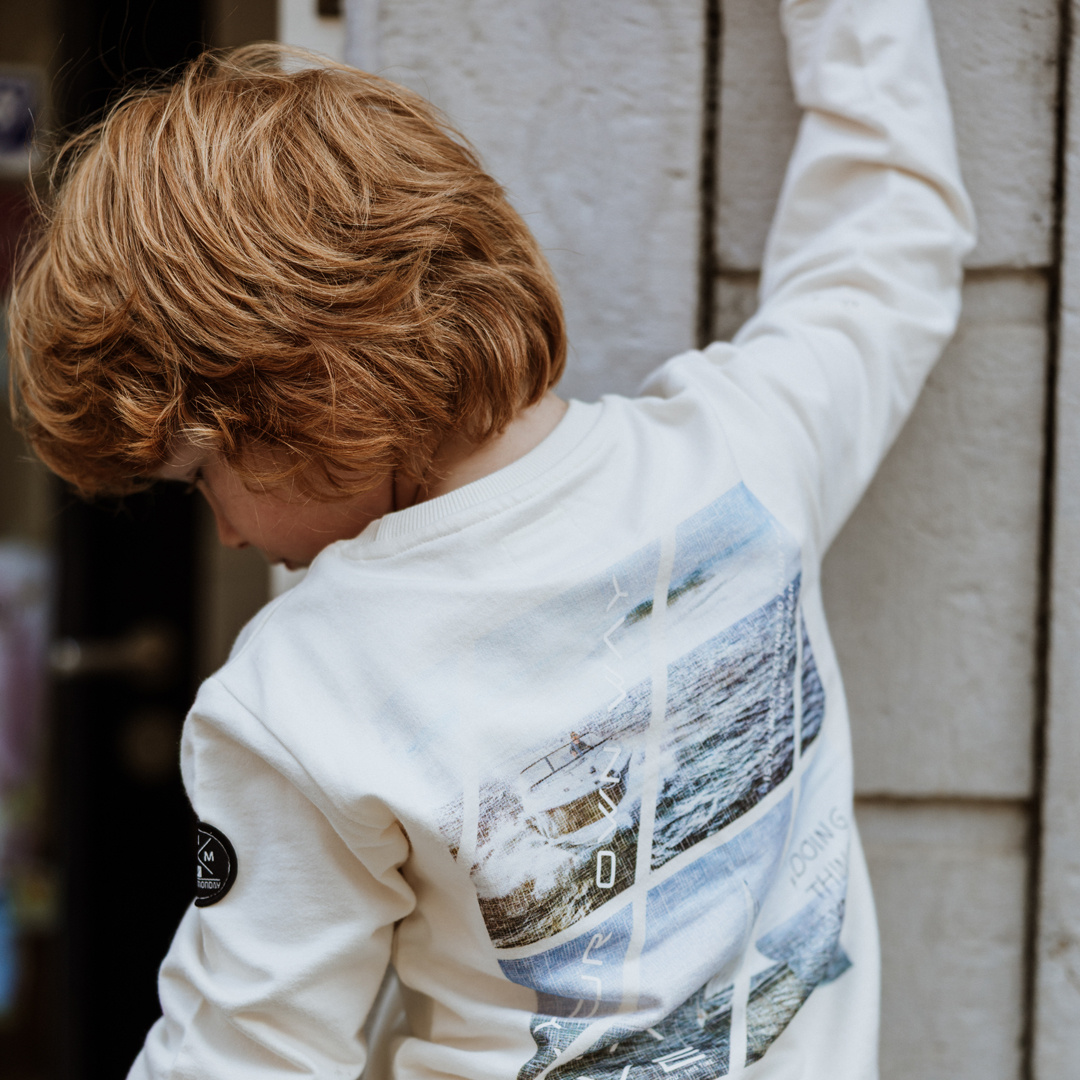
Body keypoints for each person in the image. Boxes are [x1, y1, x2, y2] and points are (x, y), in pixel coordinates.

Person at [7, 0, 974, 1076]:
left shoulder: (306, 689)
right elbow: (888, 246)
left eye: (201, 478)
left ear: (298, 399)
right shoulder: (740, 452)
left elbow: (239, 1056)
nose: (227, 534)